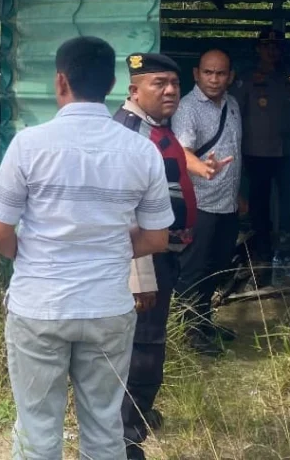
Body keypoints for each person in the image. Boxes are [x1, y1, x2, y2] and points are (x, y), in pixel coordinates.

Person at [0, 37, 174, 460]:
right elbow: (158, 238)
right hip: (108, 306)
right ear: (111, 84)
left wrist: (38, 256)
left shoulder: (29, 146)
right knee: (105, 428)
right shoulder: (142, 151)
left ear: (60, 82)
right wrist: (104, 251)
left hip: (40, 306)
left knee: (37, 429)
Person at [113, 53, 197, 460]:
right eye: (158, 83)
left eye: (174, 84)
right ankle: (124, 436)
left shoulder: (155, 127)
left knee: (147, 340)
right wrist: (141, 276)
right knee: (144, 344)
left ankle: (138, 413)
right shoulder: (130, 134)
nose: (169, 91)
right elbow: (123, 213)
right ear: (134, 90)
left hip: (163, 251)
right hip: (144, 259)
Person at [171, 48, 243, 354]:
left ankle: (204, 320)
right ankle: (189, 332)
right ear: (197, 74)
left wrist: (238, 193)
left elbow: (235, 152)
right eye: (208, 73)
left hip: (226, 204)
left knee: (217, 266)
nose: (214, 79)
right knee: (194, 269)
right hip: (198, 205)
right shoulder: (187, 108)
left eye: (221, 73)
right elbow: (182, 152)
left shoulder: (233, 104)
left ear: (230, 76)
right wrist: (202, 168)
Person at [238, 28, 290, 267]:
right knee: (259, 206)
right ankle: (262, 251)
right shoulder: (247, 79)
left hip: (288, 152)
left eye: (276, 46)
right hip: (256, 152)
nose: (272, 50)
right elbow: (236, 115)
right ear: (258, 49)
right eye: (267, 46)